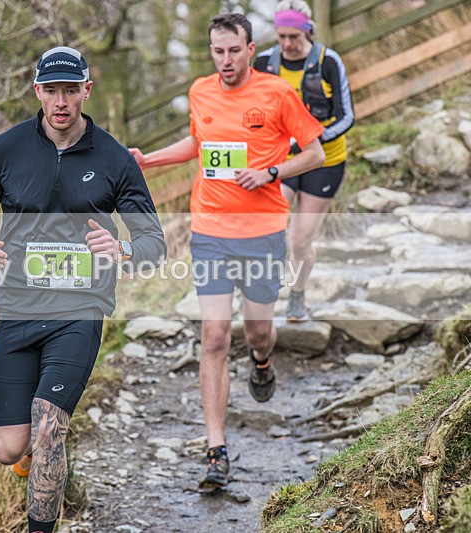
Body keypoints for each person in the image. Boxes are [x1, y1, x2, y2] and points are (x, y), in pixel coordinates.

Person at [0, 46, 165, 533]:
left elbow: (154, 241)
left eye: (71, 90)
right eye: (52, 90)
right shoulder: (5, 149)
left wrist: (123, 251)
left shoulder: (112, 158)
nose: (61, 101)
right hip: (17, 308)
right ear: (37, 91)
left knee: (48, 428)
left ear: (87, 91)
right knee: (9, 449)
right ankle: (44, 474)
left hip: (79, 310)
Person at [129, 14, 325, 490]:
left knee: (258, 331)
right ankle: (216, 451)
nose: (226, 60)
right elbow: (200, 142)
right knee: (214, 336)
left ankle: (261, 361)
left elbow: (315, 153)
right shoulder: (201, 91)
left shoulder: (276, 94)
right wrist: (150, 159)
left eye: (234, 51)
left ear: (250, 49)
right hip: (211, 231)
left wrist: (273, 172)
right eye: (218, 52)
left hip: (261, 232)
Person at [254, 0, 355, 322]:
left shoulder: (328, 61)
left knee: (299, 241)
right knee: (270, 228)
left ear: (307, 31)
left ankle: (297, 296)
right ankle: (262, 293)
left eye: (294, 37)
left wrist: (308, 141)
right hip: (279, 161)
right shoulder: (265, 62)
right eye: (281, 36)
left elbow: (346, 116)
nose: (287, 44)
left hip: (324, 161)